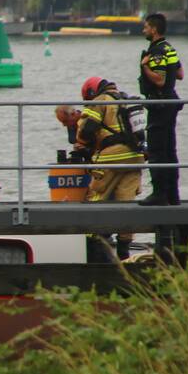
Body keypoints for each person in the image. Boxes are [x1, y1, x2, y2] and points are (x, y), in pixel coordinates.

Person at [75, 77, 146, 260]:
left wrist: (82, 142)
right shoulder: (126, 100)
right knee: (126, 203)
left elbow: (88, 130)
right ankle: (124, 250)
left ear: (91, 92)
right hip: (135, 158)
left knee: (97, 195)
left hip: (112, 157)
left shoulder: (100, 101)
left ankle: (91, 240)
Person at [138, 12, 184, 206]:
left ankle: (159, 194)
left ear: (154, 29)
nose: (144, 30)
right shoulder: (169, 48)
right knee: (169, 149)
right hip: (170, 103)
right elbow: (180, 74)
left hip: (159, 104)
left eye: (146, 27)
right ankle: (173, 195)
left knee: (157, 150)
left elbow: (160, 79)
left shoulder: (156, 51)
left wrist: (145, 67)